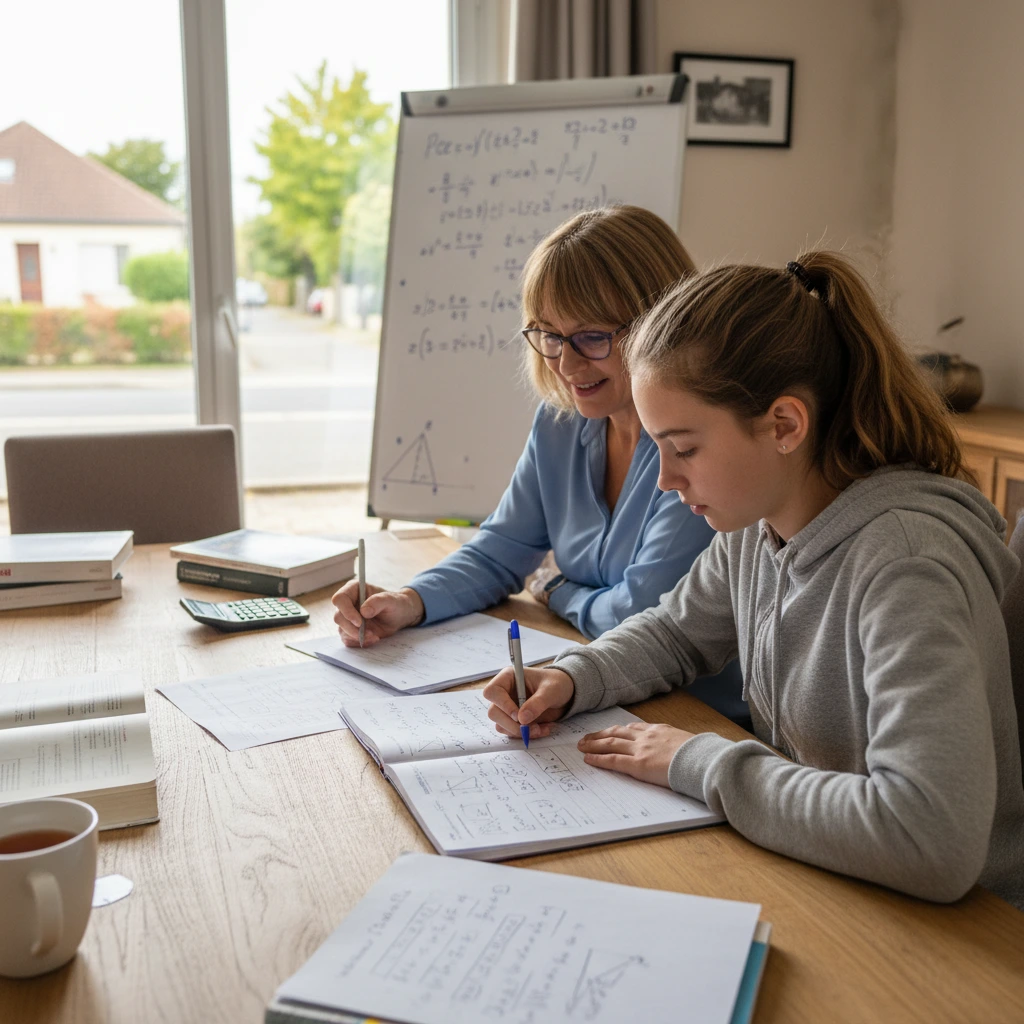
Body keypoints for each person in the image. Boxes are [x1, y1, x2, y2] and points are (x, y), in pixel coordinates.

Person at [483, 251, 1024, 908]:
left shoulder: (905, 564)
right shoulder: (756, 524)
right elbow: (677, 633)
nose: (665, 479)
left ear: (785, 425)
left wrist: (698, 760)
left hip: (961, 930)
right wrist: (574, 678)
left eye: (684, 449)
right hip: (830, 870)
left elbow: (929, 836)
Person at [333, 205, 745, 720]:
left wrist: (557, 589)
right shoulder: (562, 423)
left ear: (658, 324)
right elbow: (500, 551)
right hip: (596, 689)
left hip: (692, 715)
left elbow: (643, 615)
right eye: (549, 335)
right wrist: (410, 600)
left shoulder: (694, 446)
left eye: (593, 336)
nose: (567, 365)